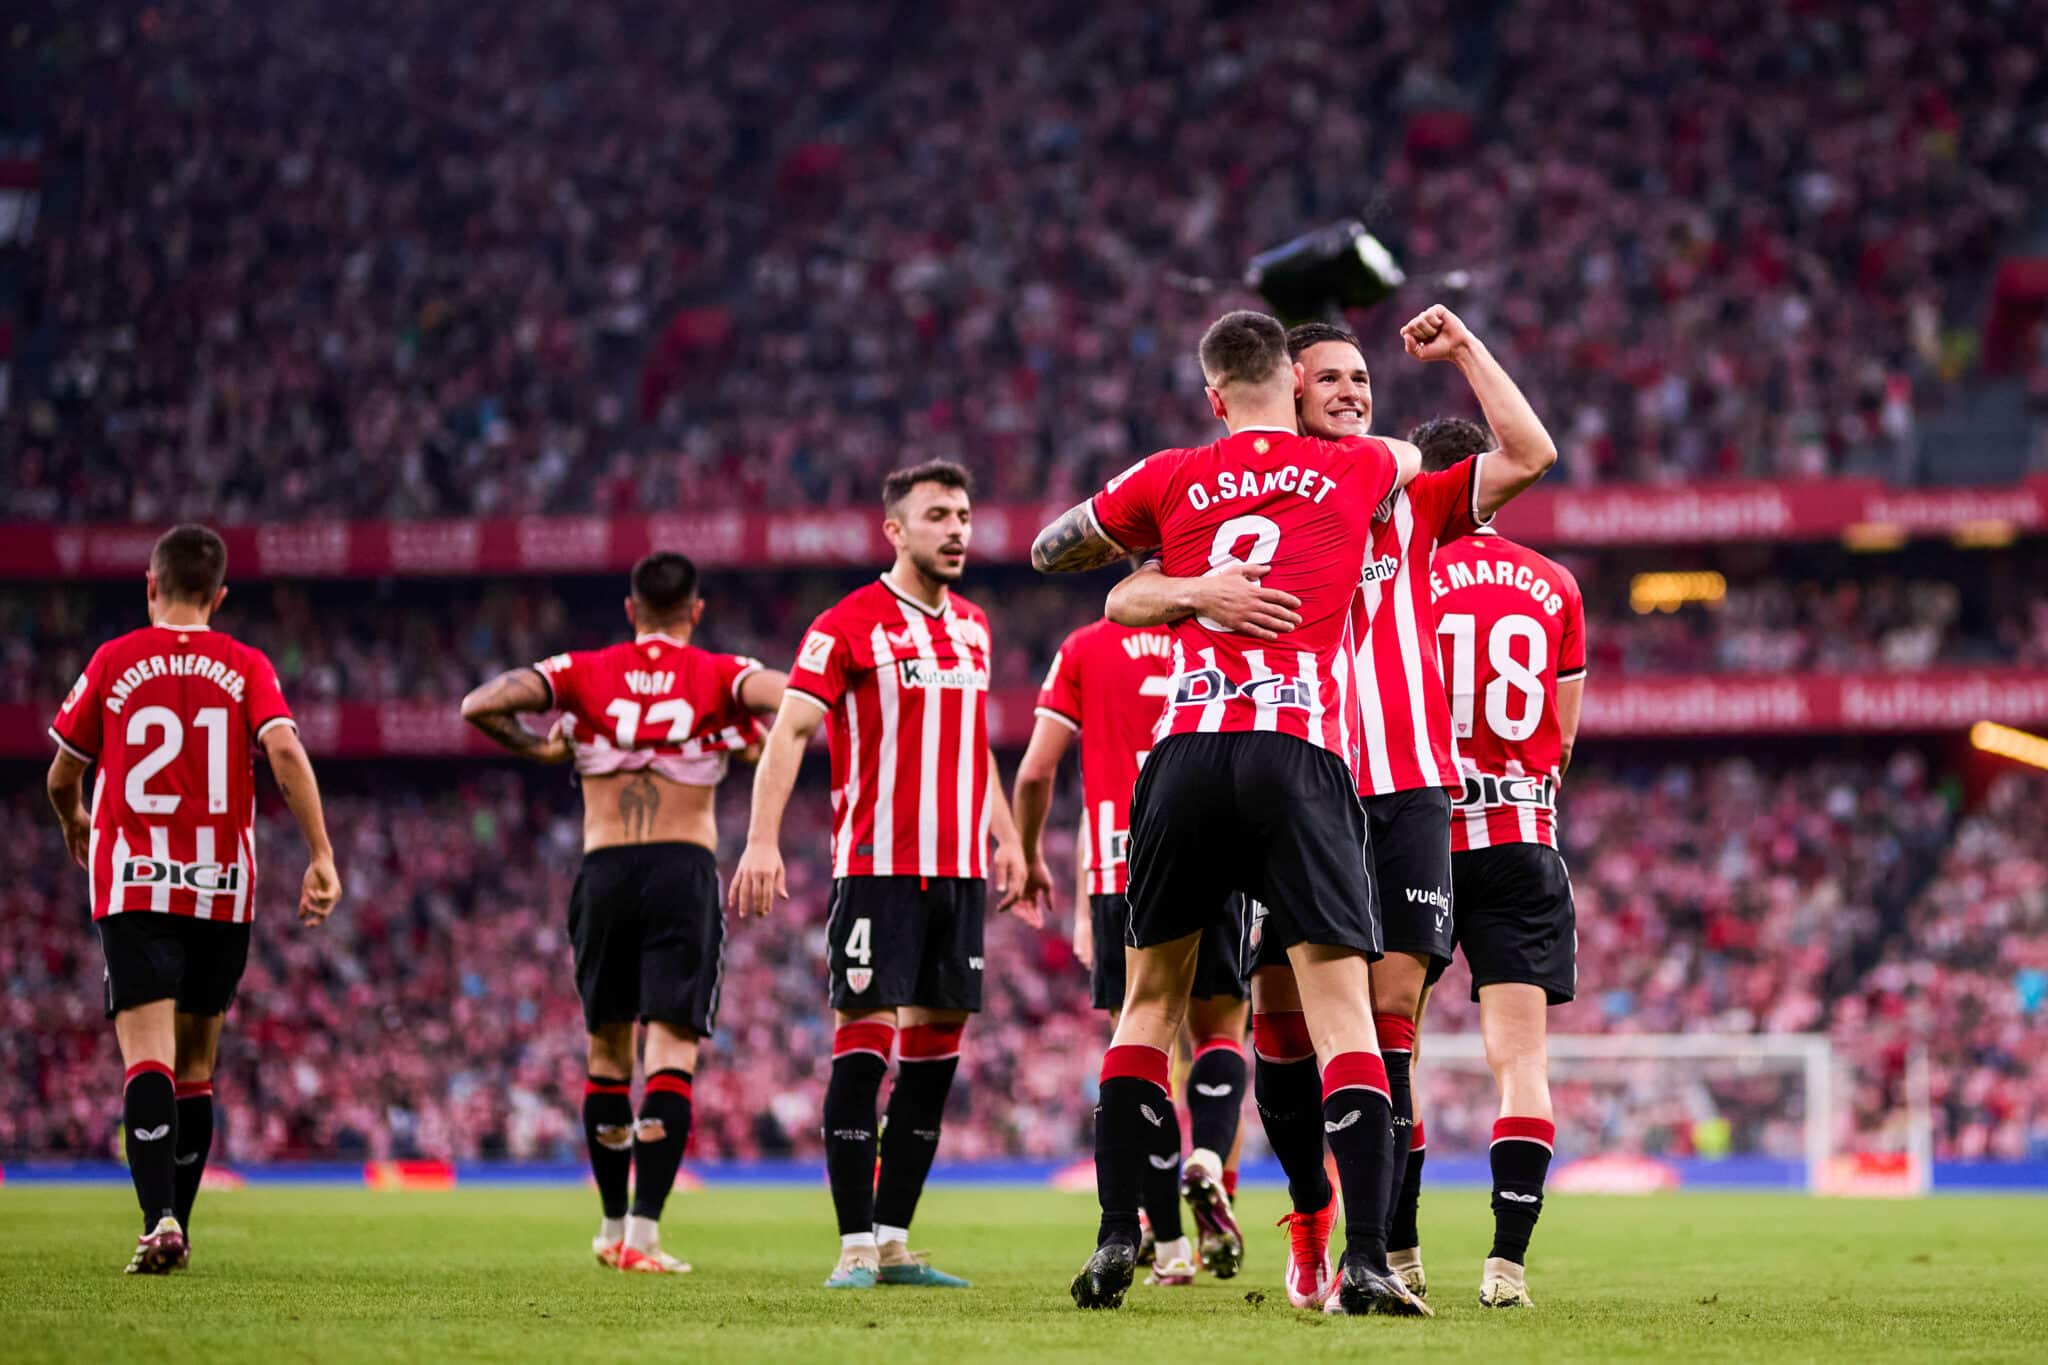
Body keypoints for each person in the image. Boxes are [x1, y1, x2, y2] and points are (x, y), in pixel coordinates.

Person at [1107, 306, 1558, 1304]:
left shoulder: (1406, 495)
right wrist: (1195, 591)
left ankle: (1380, 1249)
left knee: (1385, 1020)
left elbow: (1530, 454)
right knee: (1278, 1028)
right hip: (1305, 780)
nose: (1352, 390)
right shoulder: (1247, 500)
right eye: (1331, 378)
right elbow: (1129, 592)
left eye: (1363, 377)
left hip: (1404, 785)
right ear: (1289, 389)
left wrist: (1465, 350)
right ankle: (1309, 1212)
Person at [1033, 308, 1430, 1317]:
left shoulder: (1167, 475)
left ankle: (1116, 1240)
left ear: (1212, 396)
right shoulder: (1361, 464)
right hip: (1299, 749)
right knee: (1340, 1014)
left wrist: (1188, 586)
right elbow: (1411, 453)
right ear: (1295, 382)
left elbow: (1055, 554)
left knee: (1146, 1006)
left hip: (1187, 753)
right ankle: (1367, 1261)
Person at [729, 460, 1037, 1291]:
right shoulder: (846, 624)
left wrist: (1010, 839)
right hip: (878, 870)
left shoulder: (974, 626)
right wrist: (761, 840)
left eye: (963, 514)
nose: (957, 529)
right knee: (863, 1054)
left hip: (959, 873)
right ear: (894, 530)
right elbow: (790, 731)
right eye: (938, 515)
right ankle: (853, 1244)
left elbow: (973, 746)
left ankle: (894, 1239)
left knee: (934, 1064)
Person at [460, 551, 787, 1274]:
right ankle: (644, 1234)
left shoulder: (582, 671)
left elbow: (478, 704)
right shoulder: (721, 674)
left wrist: (540, 749)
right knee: (670, 1053)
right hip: (682, 869)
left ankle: (610, 1228)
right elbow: (798, 698)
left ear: (632, 609)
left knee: (606, 1055)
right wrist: (755, 744)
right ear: (695, 611)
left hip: (604, 869)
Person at [45, 524, 342, 1275]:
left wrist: (74, 817)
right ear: (220, 596)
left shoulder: (113, 659)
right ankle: (178, 1217)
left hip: (135, 885)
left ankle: (159, 1220)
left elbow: (61, 773)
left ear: (150, 585)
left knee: (147, 1057)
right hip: (221, 890)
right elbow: (283, 748)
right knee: (197, 1064)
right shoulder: (246, 664)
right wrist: (321, 854)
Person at [1012, 599, 1250, 1286]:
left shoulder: (1085, 647)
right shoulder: (1216, 632)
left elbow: (1036, 772)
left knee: (1143, 1048)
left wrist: (1030, 854)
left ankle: (1166, 1243)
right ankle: (1210, 1162)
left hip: (1120, 866)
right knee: (1220, 1033)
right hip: (1215, 851)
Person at [1423, 416, 1586, 1309]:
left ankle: (1395, 1255)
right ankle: (1506, 1267)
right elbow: (1563, 741)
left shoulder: (1400, 573)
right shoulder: (1556, 582)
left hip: (1419, 835)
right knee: (1520, 1061)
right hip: (1523, 835)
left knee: (1390, 1046)